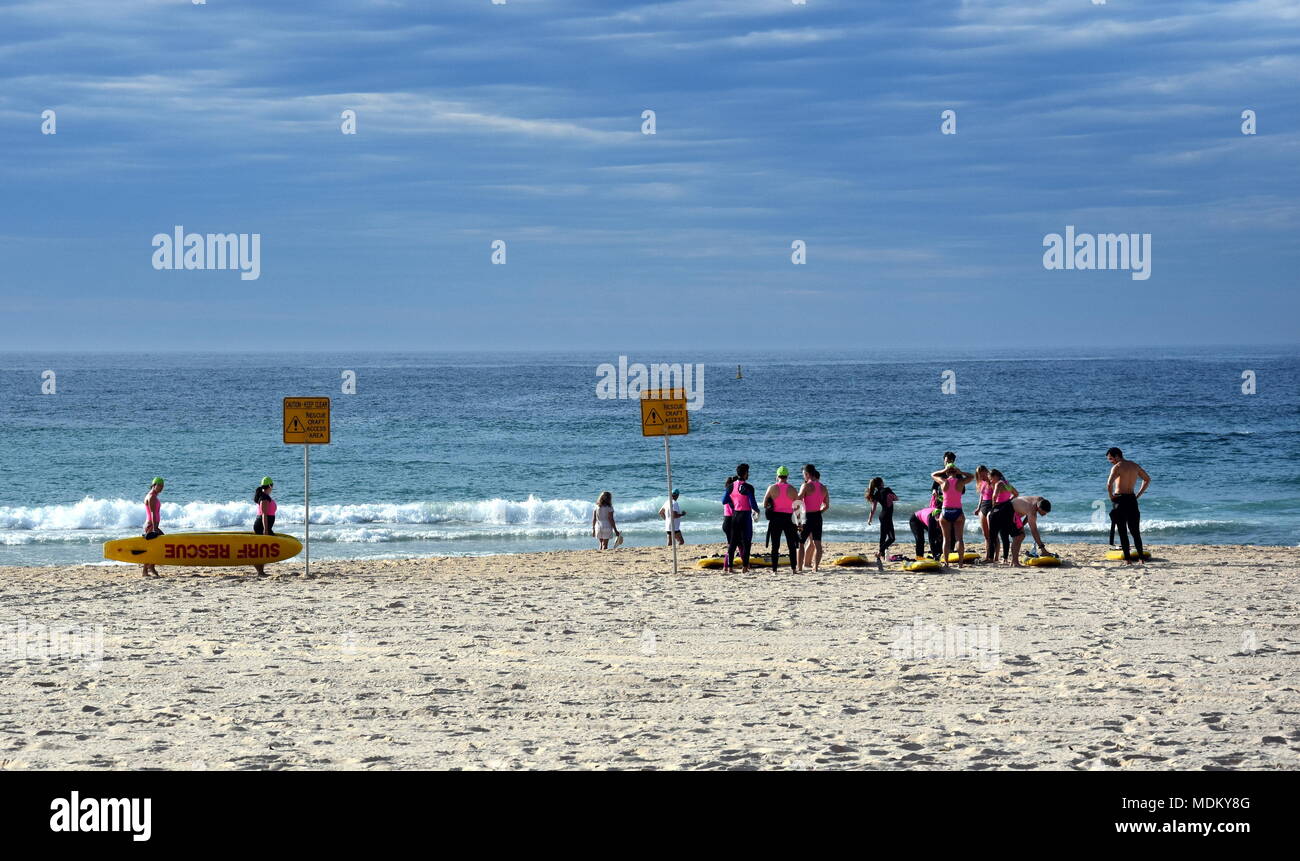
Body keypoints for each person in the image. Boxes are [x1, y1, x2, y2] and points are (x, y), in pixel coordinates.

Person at [1106, 447, 1151, 563]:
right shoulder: (1134, 466)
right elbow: (1147, 479)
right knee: (1135, 531)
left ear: (1117, 456)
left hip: (1120, 499)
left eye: (1111, 458)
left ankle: (1128, 559)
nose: (1110, 461)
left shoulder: (1117, 467)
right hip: (1132, 499)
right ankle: (1141, 558)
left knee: (1122, 531)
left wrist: (1111, 497)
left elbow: (1109, 484)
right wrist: (1138, 495)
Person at [929, 463, 974, 568]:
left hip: (945, 511)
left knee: (946, 539)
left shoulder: (943, 482)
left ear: (947, 472)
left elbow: (933, 475)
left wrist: (943, 470)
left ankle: (946, 563)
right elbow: (972, 476)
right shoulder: (961, 481)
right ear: (955, 471)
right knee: (959, 539)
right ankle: (961, 563)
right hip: (958, 511)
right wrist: (961, 472)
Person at [763, 466, 801, 574]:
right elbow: (797, 507)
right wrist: (798, 522)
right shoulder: (793, 489)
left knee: (775, 545)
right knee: (791, 545)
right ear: (787, 476)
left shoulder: (771, 488)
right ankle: (794, 569)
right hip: (788, 519)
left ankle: (774, 570)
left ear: (777, 476)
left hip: (775, 518)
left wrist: (772, 505)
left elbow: (765, 503)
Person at [724, 464, 759, 572]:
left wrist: (733, 504)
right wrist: (757, 511)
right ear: (745, 473)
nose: (748, 474)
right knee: (746, 542)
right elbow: (752, 504)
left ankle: (729, 567)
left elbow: (724, 500)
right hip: (745, 517)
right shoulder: (748, 487)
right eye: (748, 472)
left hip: (735, 516)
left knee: (733, 542)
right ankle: (744, 567)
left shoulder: (731, 486)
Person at [1004, 495, 1053, 567]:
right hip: (1008, 512)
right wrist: (1042, 548)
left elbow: (1028, 514)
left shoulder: (1040, 500)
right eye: (1044, 512)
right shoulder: (1032, 512)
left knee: (1020, 535)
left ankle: (1014, 561)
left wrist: (1022, 525)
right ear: (1039, 508)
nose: (1045, 514)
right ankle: (1014, 562)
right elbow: (1034, 531)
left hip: (1012, 508)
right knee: (1019, 536)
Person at [797, 464, 830, 572]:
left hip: (806, 517)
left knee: (801, 542)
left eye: (804, 475)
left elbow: (798, 501)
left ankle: (800, 567)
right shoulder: (824, 488)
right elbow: (826, 505)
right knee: (818, 544)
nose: (804, 477)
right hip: (817, 516)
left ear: (807, 474)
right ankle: (815, 568)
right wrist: (818, 513)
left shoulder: (805, 486)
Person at [986, 469, 1019, 562]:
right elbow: (1016, 493)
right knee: (1005, 535)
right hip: (1007, 510)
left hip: (998, 509)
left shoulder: (999, 483)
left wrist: (993, 506)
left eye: (991, 479)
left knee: (992, 535)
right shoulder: (1006, 483)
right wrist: (1008, 501)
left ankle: (991, 558)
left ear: (995, 476)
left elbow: (994, 496)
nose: (991, 481)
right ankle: (1005, 558)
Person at [864, 476, 896, 565]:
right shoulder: (887, 490)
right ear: (881, 483)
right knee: (892, 538)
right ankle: (880, 552)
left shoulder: (876, 494)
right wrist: (891, 497)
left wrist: (869, 518)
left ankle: (881, 555)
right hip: (887, 517)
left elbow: (873, 508)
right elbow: (896, 498)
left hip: (882, 516)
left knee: (883, 536)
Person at [252, 477, 277, 576]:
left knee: (263, 549)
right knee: (264, 549)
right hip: (262, 527)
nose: (273, 488)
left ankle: (260, 571)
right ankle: (258, 568)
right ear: (270, 486)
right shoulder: (264, 497)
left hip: (263, 526)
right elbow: (264, 514)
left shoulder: (264, 496)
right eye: (272, 485)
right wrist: (266, 530)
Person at [141, 477, 165, 577]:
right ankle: (147, 569)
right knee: (159, 545)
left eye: (162, 486)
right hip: (151, 525)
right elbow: (153, 513)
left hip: (152, 525)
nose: (161, 488)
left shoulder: (152, 496)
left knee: (154, 547)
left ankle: (149, 568)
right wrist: (155, 529)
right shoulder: (152, 497)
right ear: (154, 485)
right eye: (160, 486)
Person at [973, 465, 994, 558]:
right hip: (983, 506)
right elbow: (981, 496)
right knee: (985, 535)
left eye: (983, 474)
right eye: (979, 475)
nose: (982, 477)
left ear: (986, 472)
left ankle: (995, 556)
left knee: (993, 534)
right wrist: (978, 508)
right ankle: (987, 556)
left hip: (992, 505)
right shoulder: (981, 482)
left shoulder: (993, 481)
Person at [721, 476, 737, 572]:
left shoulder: (726, 494)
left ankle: (726, 566)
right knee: (737, 545)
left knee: (731, 545)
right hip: (732, 521)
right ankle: (727, 566)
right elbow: (734, 509)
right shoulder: (733, 495)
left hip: (726, 521)